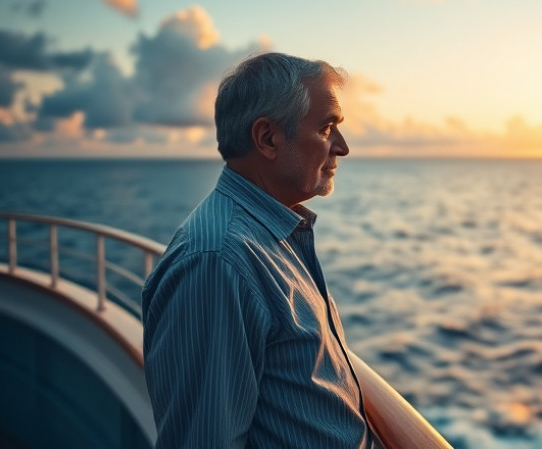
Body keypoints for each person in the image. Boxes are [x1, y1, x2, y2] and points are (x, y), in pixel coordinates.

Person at [142, 52, 372, 448]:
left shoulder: (270, 234)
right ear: (267, 138)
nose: (342, 147)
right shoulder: (218, 262)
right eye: (327, 127)